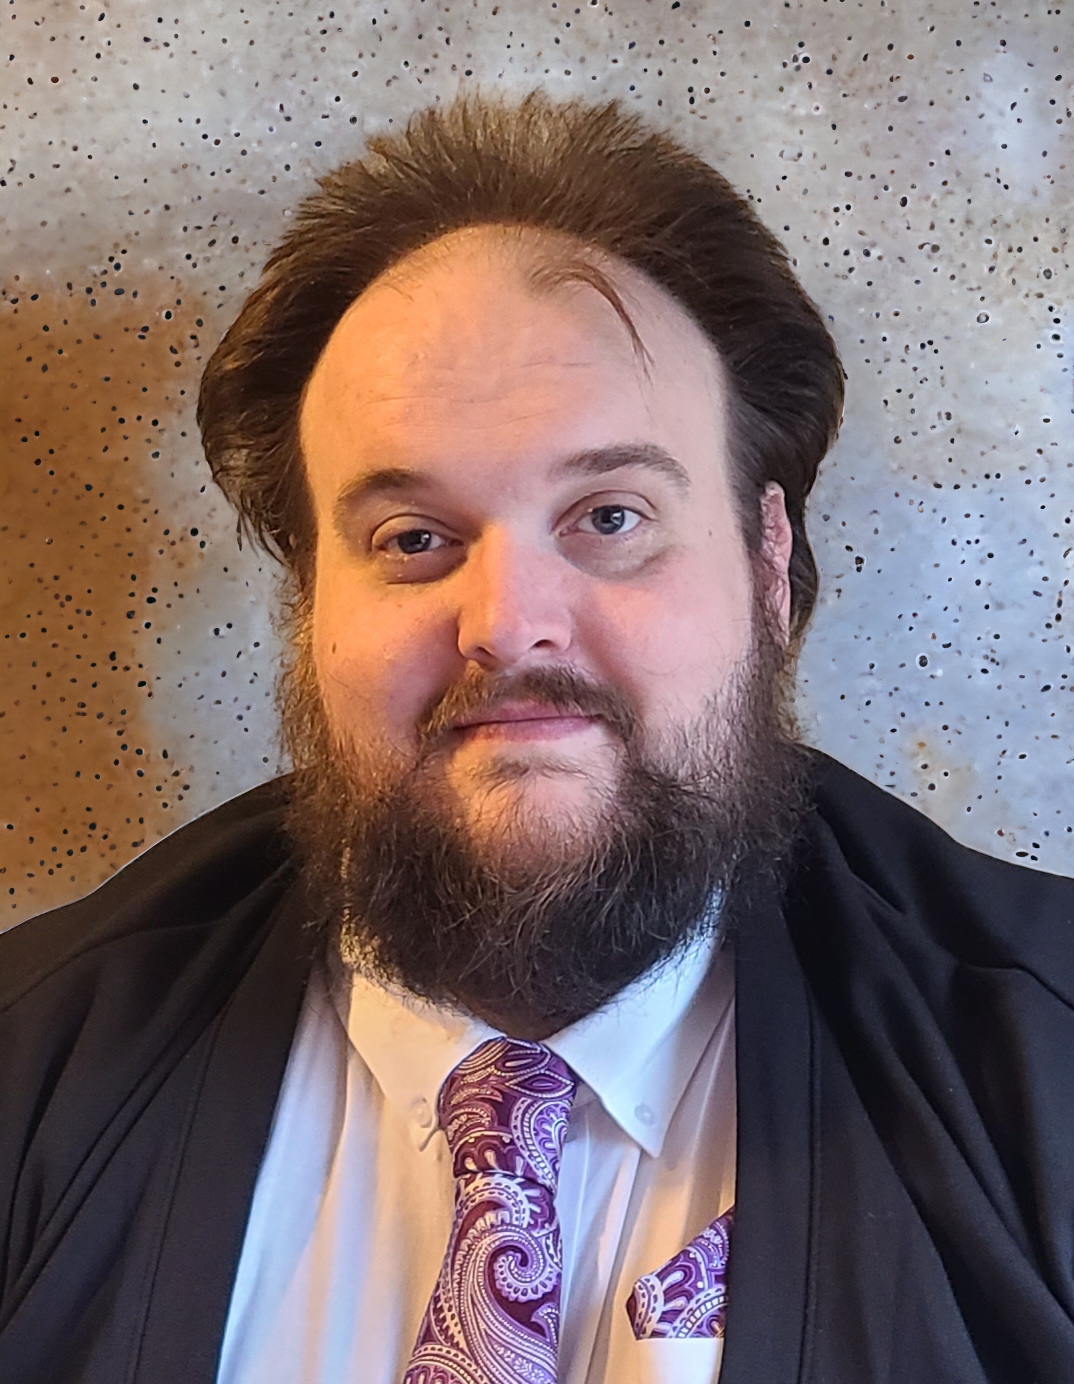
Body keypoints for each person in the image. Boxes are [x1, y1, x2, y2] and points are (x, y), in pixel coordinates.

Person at [1, 91, 1072, 1384]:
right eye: (412, 539)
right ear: (307, 611)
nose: (506, 625)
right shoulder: (32, 1069)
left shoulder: (1045, 1082)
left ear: (768, 568)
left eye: (609, 518)